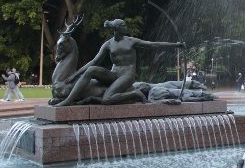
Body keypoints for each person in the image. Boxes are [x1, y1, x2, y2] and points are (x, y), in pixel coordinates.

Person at [56, 19, 184, 106]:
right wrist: (75, 75)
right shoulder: (109, 44)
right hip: (114, 74)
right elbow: (94, 61)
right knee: (91, 70)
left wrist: (175, 45)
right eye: (124, 26)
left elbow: (153, 45)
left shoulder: (131, 41)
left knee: (106, 99)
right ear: (117, 28)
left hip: (127, 76)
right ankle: (68, 100)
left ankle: (135, 93)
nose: (126, 28)